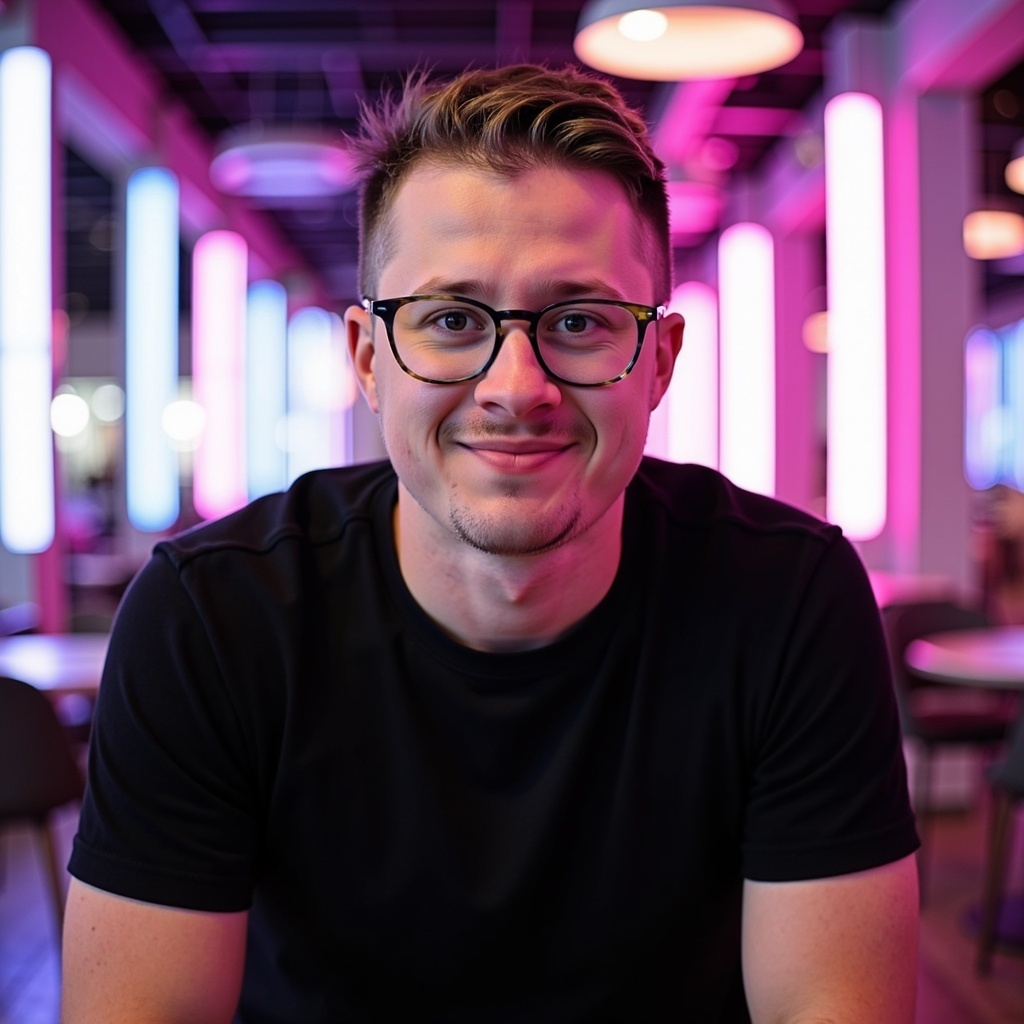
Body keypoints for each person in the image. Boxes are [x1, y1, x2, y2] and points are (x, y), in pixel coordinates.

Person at [62, 64, 920, 1023]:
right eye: (452, 320)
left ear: (659, 361)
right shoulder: (211, 618)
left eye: (581, 321)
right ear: (369, 359)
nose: (516, 389)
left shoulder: (788, 597)